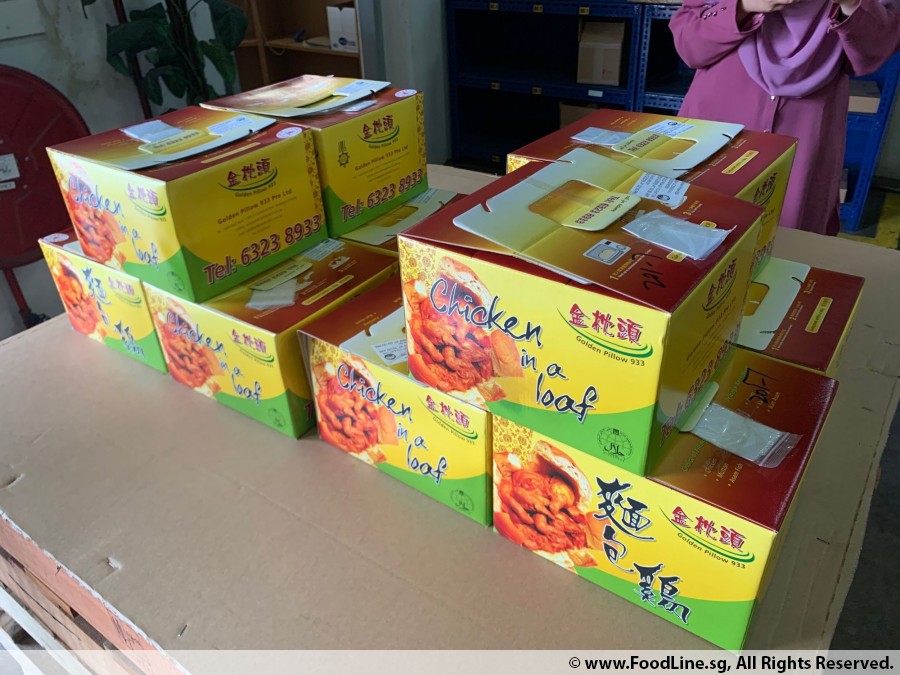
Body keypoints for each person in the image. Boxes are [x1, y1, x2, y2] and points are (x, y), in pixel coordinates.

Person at [670, 0, 900, 235]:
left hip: (805, 128)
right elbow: (689, 46)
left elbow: (877, 49)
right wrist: (743, 6)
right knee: (693, 227)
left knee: (788, 235)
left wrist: (852, 4)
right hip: (718, 120)